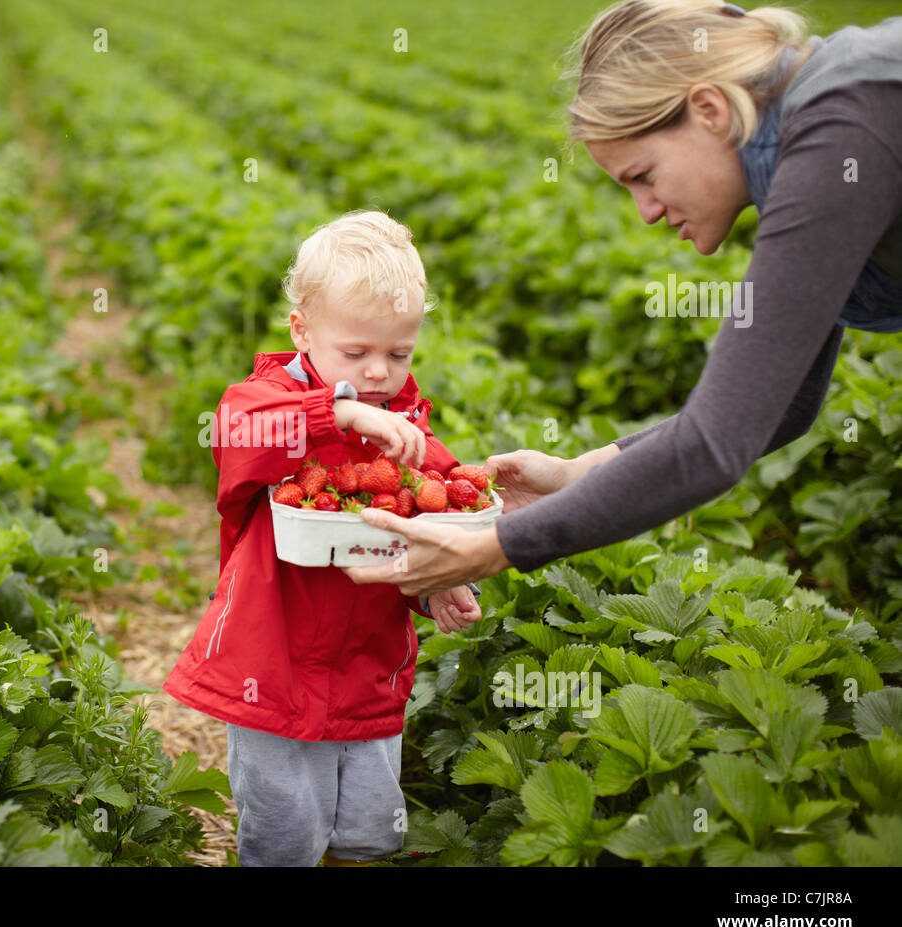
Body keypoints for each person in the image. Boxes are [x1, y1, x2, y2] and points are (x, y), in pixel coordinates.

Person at [344, 0, 902, 596]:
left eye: (643, 175)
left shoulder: (839, 131)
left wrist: (494, 547)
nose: (647, 212)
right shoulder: (824, 119)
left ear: (710, 111)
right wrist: (574, 474)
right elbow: (784, 402)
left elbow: (713, 443)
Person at [163, 210, 482, 866]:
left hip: (368, 669)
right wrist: (333, 413)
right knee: (283, 834)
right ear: (301, 332)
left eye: (399, 354)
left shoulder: (406, 434)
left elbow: (437, 517)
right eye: (356, 353)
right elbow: (234, 435)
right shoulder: (264, 405)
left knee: (369, 831)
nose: (378, 374)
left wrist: (443, 582)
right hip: (269, 667)